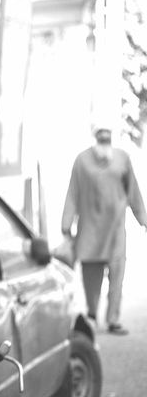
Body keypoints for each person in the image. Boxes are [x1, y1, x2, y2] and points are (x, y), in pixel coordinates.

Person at [62, 122, 147, 335]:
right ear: (95, 136)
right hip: (90, 231)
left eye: (108, 134)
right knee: (92, 278)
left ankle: (113, 319)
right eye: (101, 134)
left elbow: (133, 190)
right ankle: (92, 314)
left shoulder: (122, 158)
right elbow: (73, 192)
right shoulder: (81, 161)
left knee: (117, 276)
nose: (104, 137)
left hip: (116, 230)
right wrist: (66, 224)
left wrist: (143, 218)